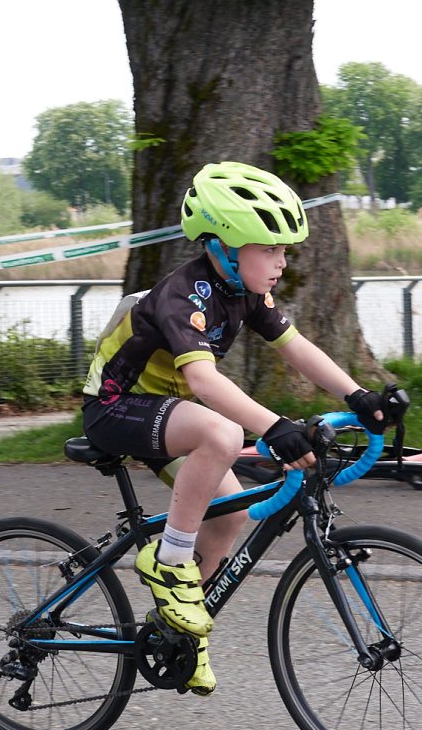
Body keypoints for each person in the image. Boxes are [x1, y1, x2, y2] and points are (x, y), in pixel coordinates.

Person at [80, 161, 396, 692]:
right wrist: (274, 427)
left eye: (284, 250)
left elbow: (296, 347)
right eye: (269, 249)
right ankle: (169, 561)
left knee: (231, 513)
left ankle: (178, 633)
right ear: (225, 245)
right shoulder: (185, 295)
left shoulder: (243, 289)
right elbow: (203, 381)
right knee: (223, 434)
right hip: (116, 409)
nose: (282, 261)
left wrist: (358, 395)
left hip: (168, 412)